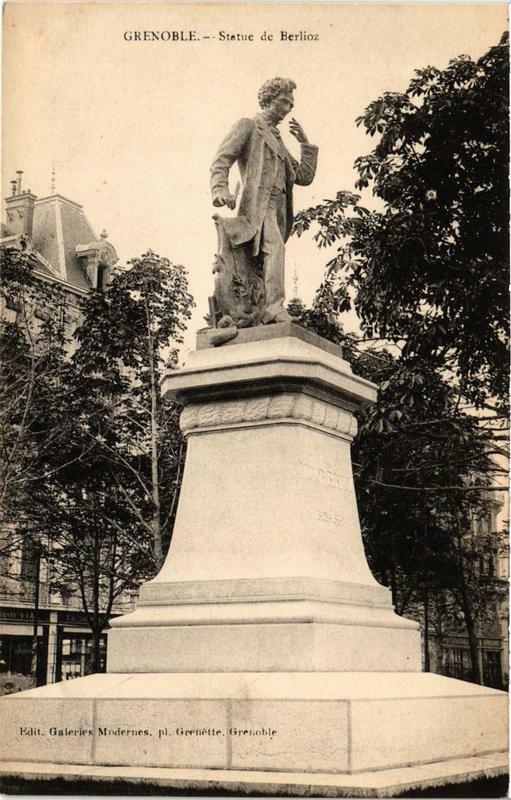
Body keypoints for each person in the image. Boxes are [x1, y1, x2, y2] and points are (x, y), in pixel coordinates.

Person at [210, 78, 318, 324]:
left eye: (291, 104)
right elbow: (221, 160)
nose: (288, 108)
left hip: (279, 209)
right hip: (259, 208)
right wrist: (220, 190)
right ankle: (273, 308)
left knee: (265, 262)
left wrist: (304, 143)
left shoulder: (278, 140)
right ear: (268, 99)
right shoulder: (249, 126)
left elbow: (303, 176)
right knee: (276, 249)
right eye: (284, 101)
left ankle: (258, 312)